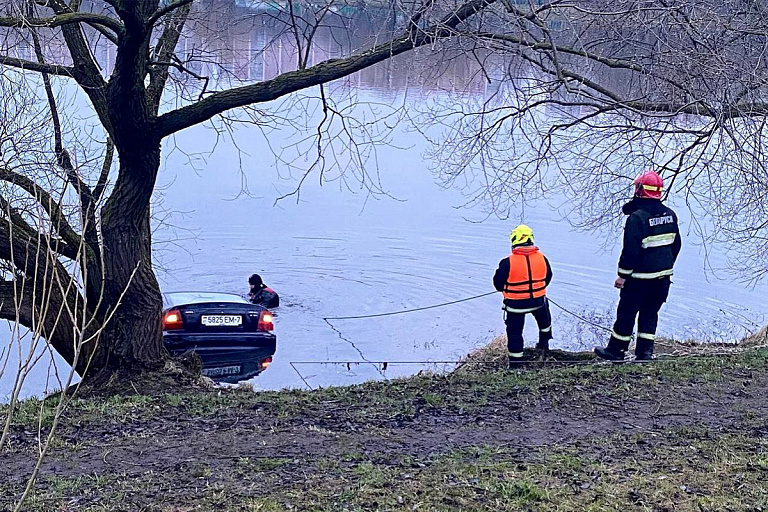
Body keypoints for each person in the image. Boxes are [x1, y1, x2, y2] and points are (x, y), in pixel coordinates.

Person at [595, 170, 681, 361]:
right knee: (650, 314)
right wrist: (665, 266)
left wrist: (622, 276)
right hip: (662, 279)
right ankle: (645, 353)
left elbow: (630, 252)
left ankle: (616, 351)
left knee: (626, 313)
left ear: (640, 190)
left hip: (639, 280)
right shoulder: (670, 215)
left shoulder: (637, 218)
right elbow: (676, 245)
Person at [493, 224, 553, 367]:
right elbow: (548, 276)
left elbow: (497, 284)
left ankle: (515, 363)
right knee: (545, 321)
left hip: (515, 305)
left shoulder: (507, 262)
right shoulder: (542, 258)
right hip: (538, 302)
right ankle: (544, 345)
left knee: (514, 332)